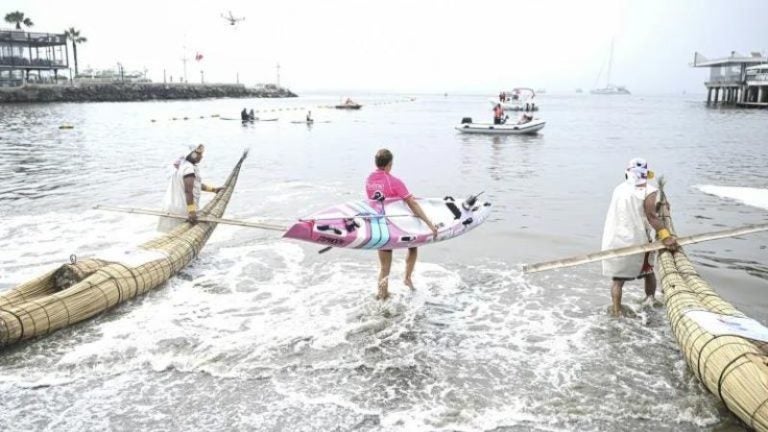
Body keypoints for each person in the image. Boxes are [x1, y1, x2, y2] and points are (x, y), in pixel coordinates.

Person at [601, 158, 678, 317]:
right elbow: (651, 217)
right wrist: (666, 236)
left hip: (615, 239)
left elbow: (633, 209)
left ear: (628, 173)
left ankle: (616, 311)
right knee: (648, 272)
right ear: (645, 175)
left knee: (618, 280)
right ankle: (650, 301)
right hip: (637, 240)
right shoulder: (648, 191)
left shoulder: (619, 189)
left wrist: (655, 207)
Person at [365, 149, 438, 300]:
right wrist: (429, 224)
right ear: (389, 165)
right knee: (413, 246)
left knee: (384, 267)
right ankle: (407, 278)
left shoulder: (369, 180)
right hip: (397, 224)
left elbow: (376, 200)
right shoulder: (394, 181)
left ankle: (382, 295)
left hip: (381, 226)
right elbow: (412, 204)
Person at [157, 144, 223, 232]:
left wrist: (214, 190)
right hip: (182, 210)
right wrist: (191, 211)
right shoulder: (189, 169)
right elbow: (188, 191)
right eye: (199, 154)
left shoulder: (182, 167)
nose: (201, 156)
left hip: (171, 207)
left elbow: (196, 184)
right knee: (180, 236)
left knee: (172, 236)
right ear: (193, 154)